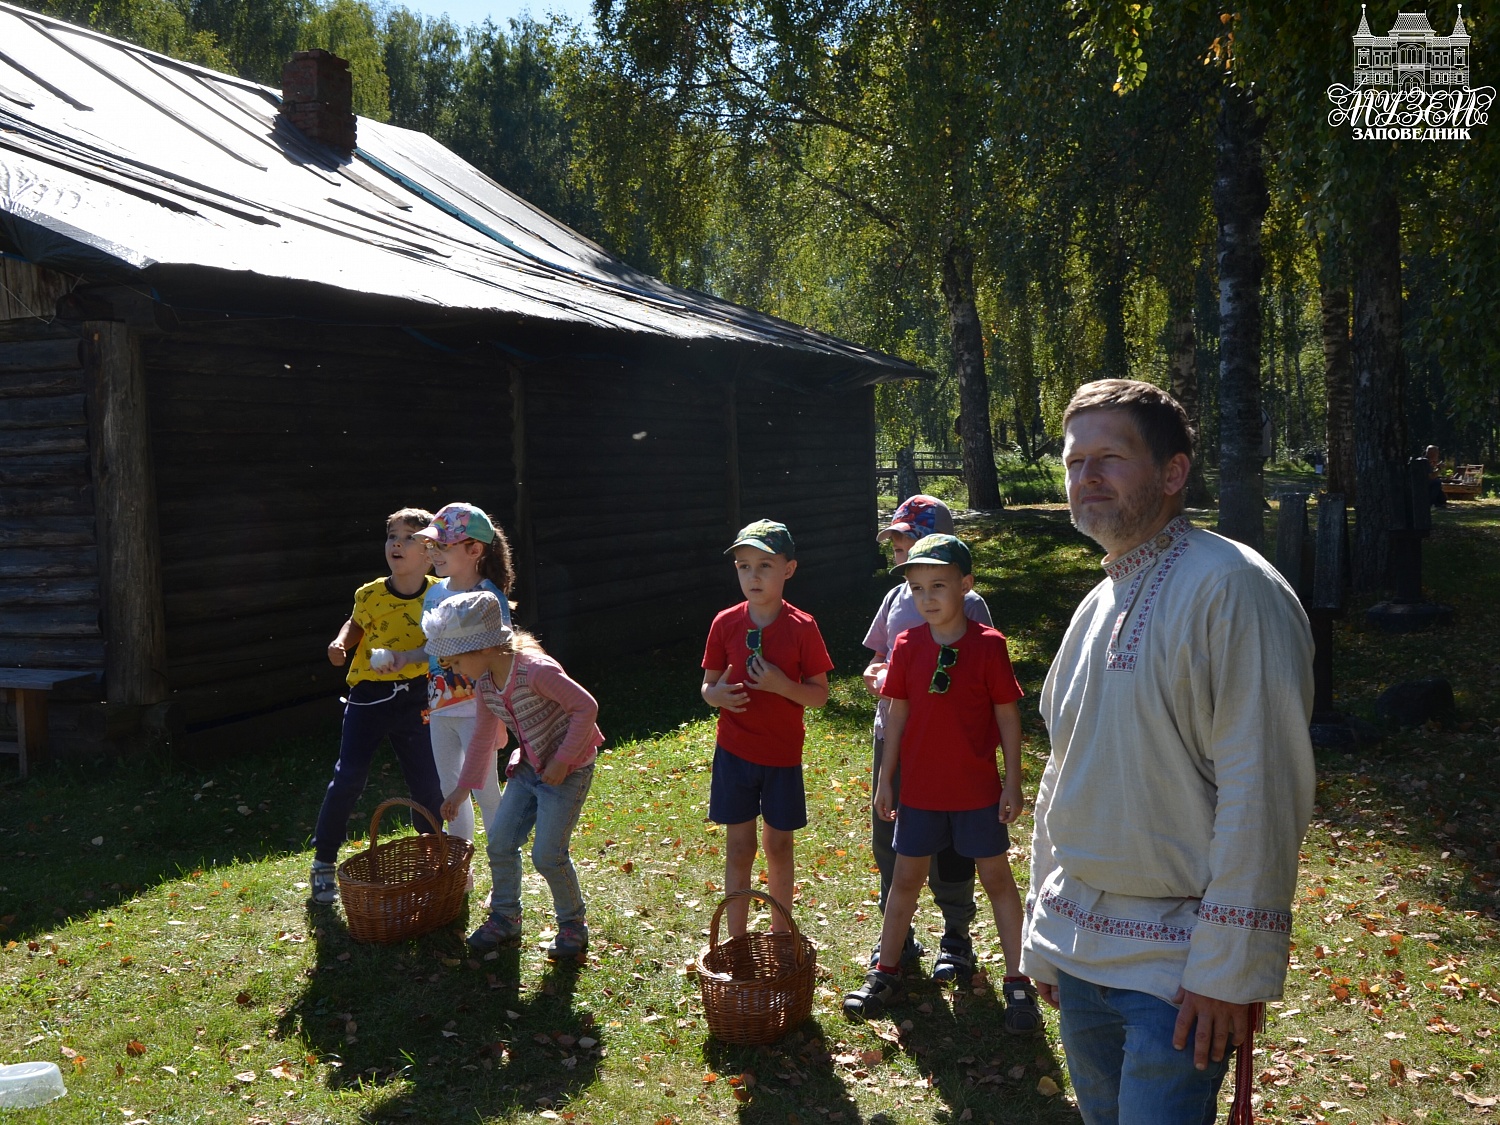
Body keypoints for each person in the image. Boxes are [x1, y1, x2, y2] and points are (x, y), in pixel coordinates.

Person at [1021, 379, 1316, 1125]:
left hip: (1179, 972)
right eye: (1074, 459)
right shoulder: (1096, 603)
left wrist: (1227, 969)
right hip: (1081, 949)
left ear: (1173, 471)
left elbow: (1263, 788)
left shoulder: (1234, 587)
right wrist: (1043, 933)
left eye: (1110, 458)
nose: (1086, 477)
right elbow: (1064, 773)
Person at [843, 534, 1040, 1034]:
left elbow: (1008, 716)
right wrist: (886, 780)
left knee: (997, 880)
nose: (926, 597)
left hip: (976, 793)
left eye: (938, 585)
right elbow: (897, 713)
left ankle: (1019, 982)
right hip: (921, 794)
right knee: (904, 881)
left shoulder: (989, 646)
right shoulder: (907, 646)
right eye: (915, 588)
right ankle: (885, 970)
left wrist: (1011, 783)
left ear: (965, 586)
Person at [424, 590, 603, 962]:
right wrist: (461, 790)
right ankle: (505, 916)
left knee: (547, 855)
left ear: (482, 649)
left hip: (567, 771)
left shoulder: (535, 670)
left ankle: (573, 924)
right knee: (500, 841)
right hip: (527, 769)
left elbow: (586, 707)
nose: (452, 668)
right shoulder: (486, 683)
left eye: (455, 659)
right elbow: (482, 740)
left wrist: (563, 761)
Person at [861, 495, 992, 981]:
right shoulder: (895, 600)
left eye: (908, 543)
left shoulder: (971, 604)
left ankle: (956, 935)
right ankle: (897, 935)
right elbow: (876, 658)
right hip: (892, 737)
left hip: (949, 745)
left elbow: (984, 670)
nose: (901, 556)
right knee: (889, 837)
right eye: (895, 548)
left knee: (952, 846)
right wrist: (879, 673)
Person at [701, 520, 833, 939]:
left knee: (779, 847)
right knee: (740, 848)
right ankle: (736, 939)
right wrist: (715, 696)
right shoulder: (724, 622)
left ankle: (780, 935)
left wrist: (781, 685)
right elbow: (708, 685)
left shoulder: (802, 627)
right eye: (743, 566)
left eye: (764, 566)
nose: (752, 576)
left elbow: (819, 695)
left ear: (788, 570)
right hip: (735, 753)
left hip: (781, 756)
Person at [309, 507, 446, 906]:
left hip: (419, 696)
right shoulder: (369, 593)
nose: (396, 545)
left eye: (408, 538)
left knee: (426, 782)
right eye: (391, 537)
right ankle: (322, 863)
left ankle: (431, 857)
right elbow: (355, 625)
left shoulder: (441, 594)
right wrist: (341, 644)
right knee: (348, 777)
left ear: (428, 550)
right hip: (369, 696)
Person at [376, 502, 515, 848]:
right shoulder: (435, 593)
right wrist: (402, 657)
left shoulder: (488, 598)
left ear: (474, 550)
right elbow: (434, 648)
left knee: (485, 791)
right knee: (450, 791)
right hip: (440, 708)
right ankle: (459, 871)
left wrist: (500, 715)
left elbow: (502, 658)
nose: (433, 553)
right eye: (432, 545)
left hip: (478, 711)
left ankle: (504, 868)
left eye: (442, 545)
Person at [1426, 445, 1449, 509]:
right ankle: (1431, 503)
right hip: (1424, 485)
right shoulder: (1425, 462)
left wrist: (1436, 466)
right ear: (1432, 453)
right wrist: (1439, 468)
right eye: (1437, 453)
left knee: (1438, 483)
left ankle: (1439, 503)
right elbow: (1431, 477)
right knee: (1437, 482)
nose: (1438, 454)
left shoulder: (1430, 462)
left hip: (1428, 484)